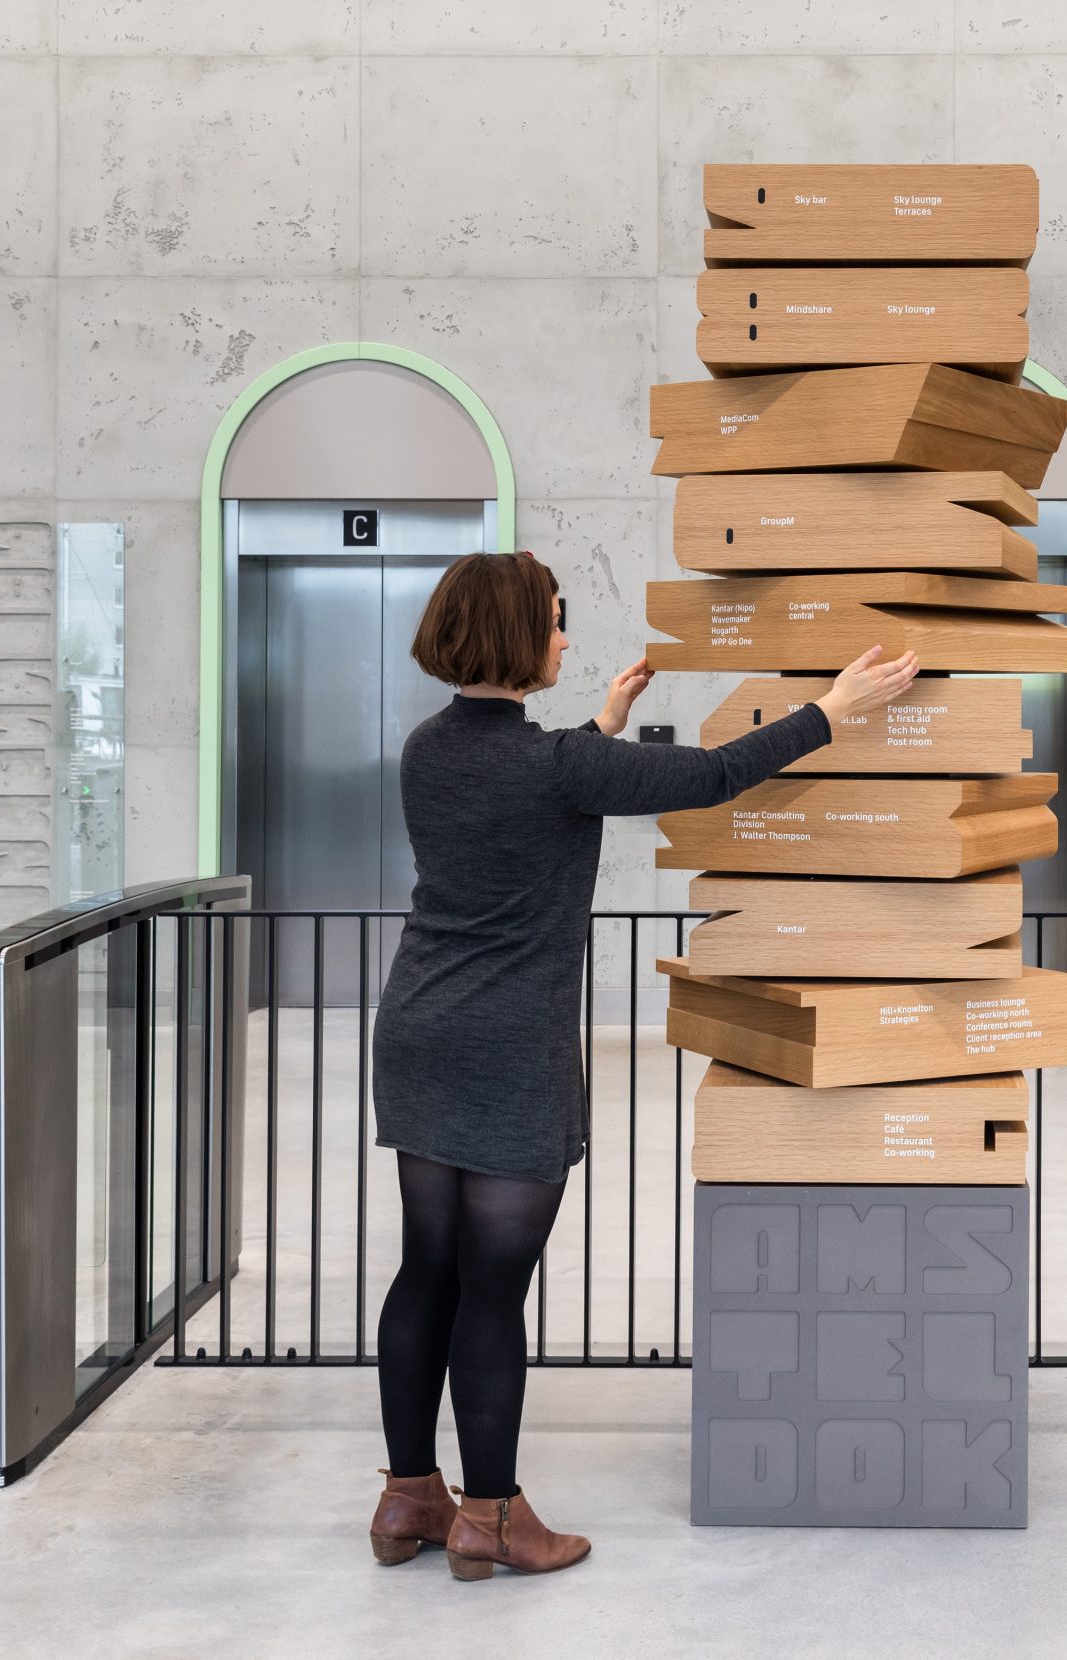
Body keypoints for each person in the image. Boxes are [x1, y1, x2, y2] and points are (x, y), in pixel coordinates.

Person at [361, 550, 919, 1581]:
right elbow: (710, 777)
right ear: (520, 636)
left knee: (427, 1272)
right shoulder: (560, 767)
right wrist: (832, 708)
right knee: (493, 1293)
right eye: (557, 621)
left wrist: (603, 724)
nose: (568, 638)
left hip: (418, 1031)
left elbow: (531, 791)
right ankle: (492, 1515)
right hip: (508, 1048)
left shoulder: (425, 750)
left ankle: (408, 1498)